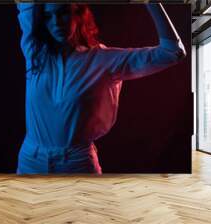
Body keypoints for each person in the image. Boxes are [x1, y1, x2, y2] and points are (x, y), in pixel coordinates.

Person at [16, 3, 186, 174]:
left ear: (78, 13)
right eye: (48, 16)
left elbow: (172, 53)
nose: (56, 22)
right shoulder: (36, 52)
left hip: (76, 163)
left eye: (63, 13)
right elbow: (26, 6)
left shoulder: (104, 60)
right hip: (31, 160)